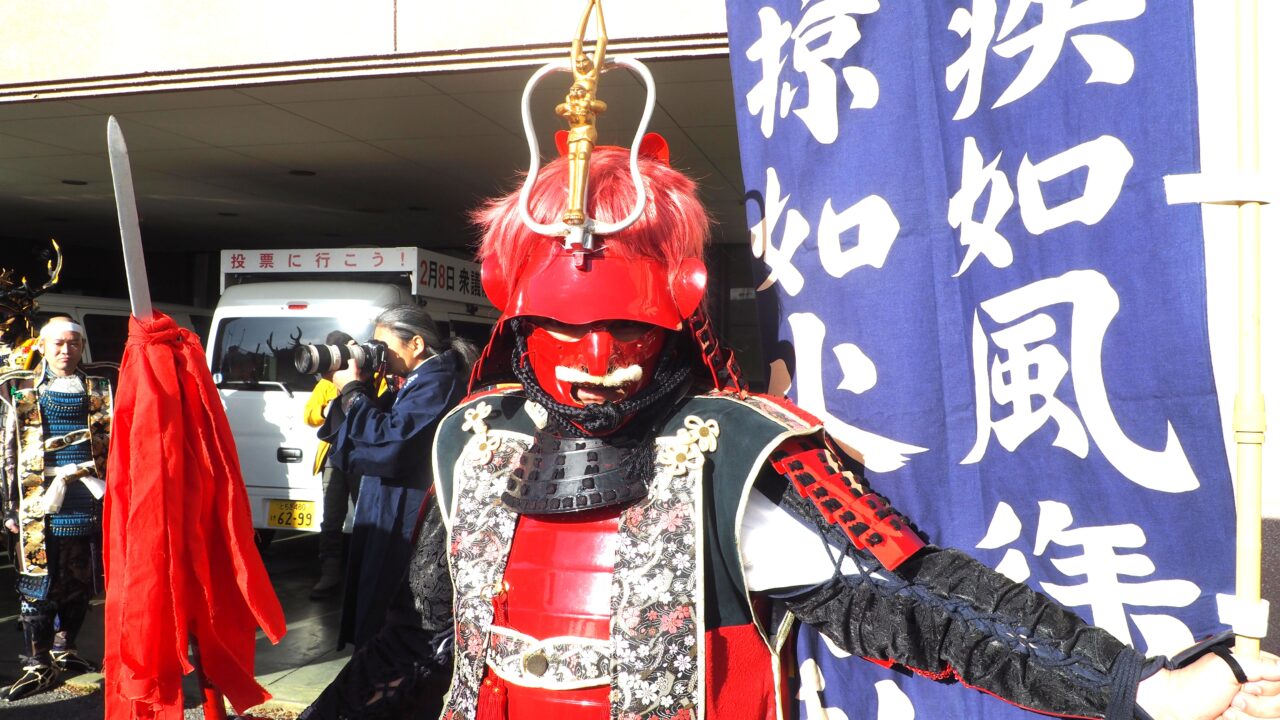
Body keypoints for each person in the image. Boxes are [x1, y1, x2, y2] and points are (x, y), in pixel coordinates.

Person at [302, 143, 1280, 720]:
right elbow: (420, 641)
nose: (598, 360)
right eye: (567, 329)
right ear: (520, 323)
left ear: (673, 317)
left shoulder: (737, 451)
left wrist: (1135, 688)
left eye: (626, 330)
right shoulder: (473, 440)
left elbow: (920, 600)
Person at [320, 305, 476, 650]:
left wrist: (354, 392)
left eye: (383, 346)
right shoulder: (415, 380)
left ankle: (382, 677)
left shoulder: (439, 381)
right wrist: (354, 389)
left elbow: (391, 444)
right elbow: (364, 434)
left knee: (389, 610)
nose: (378, 354)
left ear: (416, 344)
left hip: (409, 513)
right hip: (388, 504)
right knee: (374, 603)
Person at [0, 317, 114, 701]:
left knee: (79, 583)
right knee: (37, 585)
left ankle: (66, 647)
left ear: (82, 346)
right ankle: (38, 663)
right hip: (38, 500)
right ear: (43, 346)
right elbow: (7, 451)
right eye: (58, 344)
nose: (66, 351)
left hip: (88, 497)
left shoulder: (101, 385)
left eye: (73, 344)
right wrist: (9, 507)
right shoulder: (18, 388)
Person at [305, 330, 363, 601]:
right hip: (333, 456)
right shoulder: (326, 383)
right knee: (331, 518)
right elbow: (309, 415)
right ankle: (330, 574)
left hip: (362, 455)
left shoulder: (370, 377)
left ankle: (362, 574)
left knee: (367, 517)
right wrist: (324, 410)